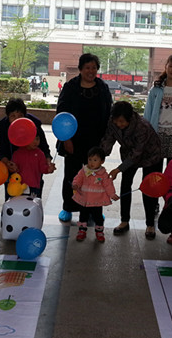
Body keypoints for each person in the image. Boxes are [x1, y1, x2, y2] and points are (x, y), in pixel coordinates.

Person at [56, 53, 112, 223]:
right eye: (87, 67)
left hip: (95, 141)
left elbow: (108, 113)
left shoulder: (102, 88)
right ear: (80, 69)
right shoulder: (70, 87)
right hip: (73, 140)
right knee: (72, 176)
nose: (91, 71)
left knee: (95, 178)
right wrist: (66, 139)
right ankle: (68, 207)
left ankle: (94, 209)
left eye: (94, 68)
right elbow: (61, 113)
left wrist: (105, 142)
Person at [101, 101, 162, 239]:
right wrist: (99, 158)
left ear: (129, 118)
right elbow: (108, 140)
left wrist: (118, 169)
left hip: (151, 155)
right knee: (125, 185)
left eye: (122, 121)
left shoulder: (142, 126)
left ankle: (150, 224)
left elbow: (136, 154)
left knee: (149, 189)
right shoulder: (112, 122)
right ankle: (124, 221)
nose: (119, 124)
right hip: (128, 153)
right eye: (116, 121)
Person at [0, 98, 53, 199]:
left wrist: (48, 163)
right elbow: (2, 150)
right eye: (13, 116)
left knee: (33, 201)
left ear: (25, 115)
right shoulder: (4, 125)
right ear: (8, 117)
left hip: (33, 172)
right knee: (12, 200)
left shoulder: (34, 123)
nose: (17, 119)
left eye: (20, 115)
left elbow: (44, 147)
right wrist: (7, 163)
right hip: (14, 174)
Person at [72, 146, 119, 242]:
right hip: (84, 200)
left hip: (97, 201)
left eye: (95, 160)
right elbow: (78, 179)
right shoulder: (84, 171)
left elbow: (108, 185)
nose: (91, 163)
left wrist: (112, 194)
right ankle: (82, 231)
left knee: (98, 217)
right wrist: (76, 185)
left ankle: (99, 232)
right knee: (83, 216)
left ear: (102, 161)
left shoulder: (103, 174)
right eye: (90, 159)